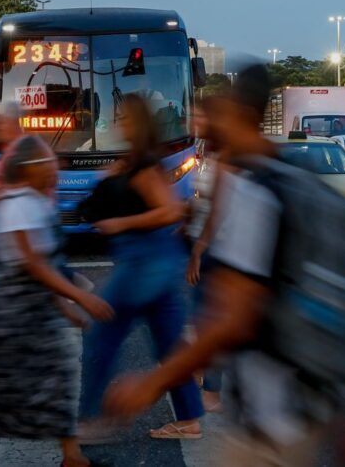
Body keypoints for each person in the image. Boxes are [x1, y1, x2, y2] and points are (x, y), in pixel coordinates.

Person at [104, 65, 337, 466]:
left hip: (272, 418)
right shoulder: (290, 175)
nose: (206, 120)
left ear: (241, 113)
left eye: (221, 110)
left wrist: (152, 383)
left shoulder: (254, 190)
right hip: (302, 398)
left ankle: (202, 399)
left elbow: (234, 320)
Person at [0, 134, 113, 467]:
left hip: (36, 315)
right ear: (29, 168)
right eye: (47, 162)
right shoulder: (15, 205)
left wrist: (65, 308)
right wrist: (78, 296)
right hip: (13, 319)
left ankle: (72, 457)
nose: (54, 168)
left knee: (58, 381)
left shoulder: (33, 201)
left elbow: (44, 264)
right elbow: (33, 264)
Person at [77, 93, 204, 442]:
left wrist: (121, 223)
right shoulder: (135, 161)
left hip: (143, 265)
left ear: (139, 122)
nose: (119, 123)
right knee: (170, 346)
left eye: (125, 118)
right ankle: (189, 419)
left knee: (101, 337)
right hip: (155, 264)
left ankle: (94, 418)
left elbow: (170, 211)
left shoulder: (145, 165)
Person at [186, 95, 233, 414]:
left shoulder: (225, 156)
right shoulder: (206, 150)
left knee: (209, 321)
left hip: (215, 249)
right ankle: (207, 377)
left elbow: (219, 209)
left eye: (200, 116)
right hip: (203, 243)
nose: (194, 121)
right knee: (202, 319)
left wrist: (199, 251)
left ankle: (213, 393)